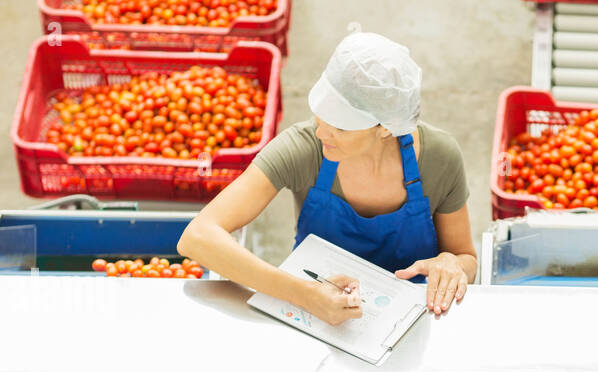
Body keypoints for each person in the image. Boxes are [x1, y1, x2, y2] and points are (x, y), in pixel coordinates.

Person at [179, 31, 477, 324]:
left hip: (413, 321)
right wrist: (305, 294)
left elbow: (466, 259)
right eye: (322, 116)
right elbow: (198, 237)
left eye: (342, 127)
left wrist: (452, 264)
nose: (322, 132)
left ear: (386, 127)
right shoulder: (306, 147)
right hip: (311, 318)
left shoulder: (439, 158)